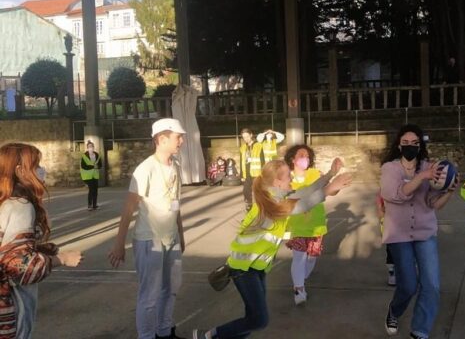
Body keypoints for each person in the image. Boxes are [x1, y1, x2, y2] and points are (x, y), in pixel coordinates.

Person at [192, 159, 351, 339]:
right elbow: (303, 204)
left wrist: (330, 174)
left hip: (256, 269)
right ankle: (209, 335)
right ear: (277, 182)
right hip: (243, 269)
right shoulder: (269, 205)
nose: (291, 180)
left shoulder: (277, 197)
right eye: (288, 177)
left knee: (253, 320)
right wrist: (329, 190)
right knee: (259, 321)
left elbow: (306, 191)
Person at [108, 118, 187, 339]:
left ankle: (164, 332)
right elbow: (128, 209)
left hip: (171, 240)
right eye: (177, 137)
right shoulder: (145, 169)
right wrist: (119, 245)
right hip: (148, 241)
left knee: (171, 289)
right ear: (161, 139)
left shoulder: (176, 167)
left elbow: (176, 204)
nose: (181, 141)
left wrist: (180, 235)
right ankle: (147, 336)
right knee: (150, 296)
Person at [380, 124, 458, 339]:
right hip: (399, 234)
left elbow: (434, 204)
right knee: (408, 285)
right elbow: (395, 194)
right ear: (398, 145)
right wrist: (422, 176)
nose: (410, 146)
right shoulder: (390, 168)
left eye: (415, 143)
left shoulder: (428, 167)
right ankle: (394, 311)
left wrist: (450, 191)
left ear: (420, 145)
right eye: (405, 143)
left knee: (431, 285)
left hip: (425, 233)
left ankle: (420, 331)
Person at [0, 143, 83, 339]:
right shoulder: (20, 207)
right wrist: (62, 259)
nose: (41, 171)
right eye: (36, 165)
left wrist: (41, 250)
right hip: (11, 308)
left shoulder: (5, 202)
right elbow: (17, 266)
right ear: (20, 171)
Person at [283, 144, 332, 305]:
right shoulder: (286, 177)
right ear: (293, 159)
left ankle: (301, 277)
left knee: (311, 258)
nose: (306, 158)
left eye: (308, 156)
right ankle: (299, 289)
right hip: (296, 225)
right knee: (299, 257)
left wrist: (335, 183)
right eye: (302, 155)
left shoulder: (316, 174)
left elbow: (329, 190)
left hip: (316, 224)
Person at [240, 128, 265, 211]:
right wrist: (241, 175)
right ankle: (249, 205)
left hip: (256, 173)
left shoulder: (259, 145)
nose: (246, 139)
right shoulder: (243, 147)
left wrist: (263, 173)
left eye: (247, 136)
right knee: (246, 191)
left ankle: (260, 206)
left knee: (257, 191)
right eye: (244, 137)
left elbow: (262, 160)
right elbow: (241, 161)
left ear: (251, 135)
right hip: (246, 173)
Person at [376, 191, 396, 286]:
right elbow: (380, 212)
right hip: (389, 225)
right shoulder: (382, 192)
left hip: (402, 224)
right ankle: (392, 273)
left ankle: (405, 271)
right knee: (391, 250)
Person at [80, 140, 102, 210]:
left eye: (92, 147)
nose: (91, 148)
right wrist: (93, 167)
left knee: (95, 190)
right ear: (87, 148)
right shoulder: (84, 156)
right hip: (87, 176)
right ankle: (90, 205)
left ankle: (94, 205)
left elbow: (100, 165)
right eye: (89, 147)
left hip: (95, 175)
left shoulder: (97, 155)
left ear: (93, 147)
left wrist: (97, 167)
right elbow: (83, 166)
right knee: (91, 189)